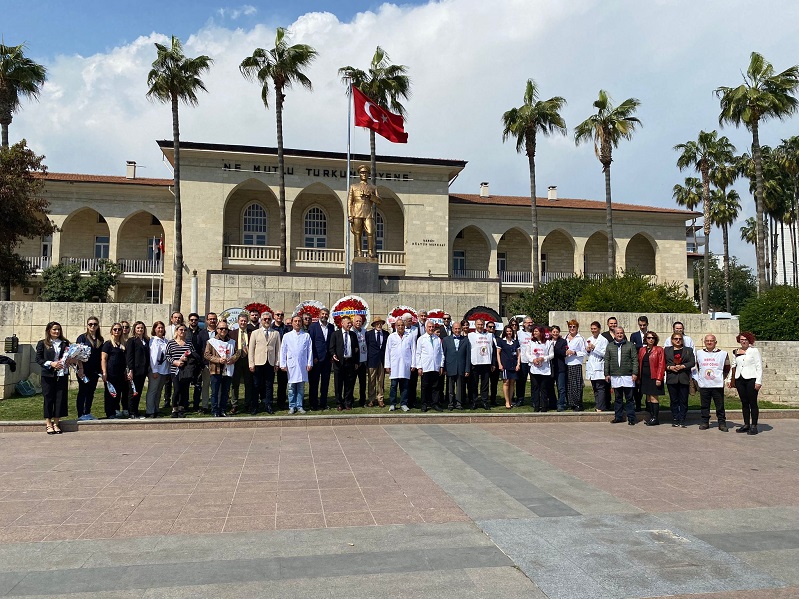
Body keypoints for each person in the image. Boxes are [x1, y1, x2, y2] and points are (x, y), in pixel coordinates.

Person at [36, 322, 74, 434]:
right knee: (48, 398)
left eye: (58, 330)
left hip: (62, 374)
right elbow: (38, 359)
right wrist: (51, 363)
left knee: (60, 398)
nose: (57, 332)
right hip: (48, 374)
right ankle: (48, 423)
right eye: (54, 329)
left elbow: (70, 356)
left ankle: (56, 423)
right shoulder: (42, 343)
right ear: (49, 331)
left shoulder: (65, 343)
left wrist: (70, 360)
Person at [729, 331, 763, 435]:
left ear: (750, 341)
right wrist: (730, 379)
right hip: (740, 379)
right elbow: (734, 366)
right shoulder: (736, 351)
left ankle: (754, 425)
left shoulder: (754, 351)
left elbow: (759, 366)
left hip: (751, 378)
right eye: (742, 339)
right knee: (744, 402)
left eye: (745, 339)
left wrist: (758, 381)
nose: (743, 341)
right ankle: (746, 424)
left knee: (752, 402)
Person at [248, 311, 281, 414]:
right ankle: (255, 406)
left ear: (271, 320)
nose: (267, 321)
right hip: (258, 363)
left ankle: (268, 405)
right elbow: (251, 350)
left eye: (269, 319)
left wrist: (277, 363)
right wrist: (251, 364)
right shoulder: (255, 333)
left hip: (270, 363)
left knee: (269, 385)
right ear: (261, 321)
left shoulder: (276, 333)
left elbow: (278, 350)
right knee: (256, 385)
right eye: (264, 319)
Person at [605, 326, 639, 425]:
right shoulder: (610, 346)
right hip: (615, 375)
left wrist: (634, 373)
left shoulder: (630, 345)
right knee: (618, 398)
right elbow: (607, 360)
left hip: (628, 375)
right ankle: (618, 417)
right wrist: (607, 373)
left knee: (629, 398)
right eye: (617, 333)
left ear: (623, 334)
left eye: (621, 333)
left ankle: (631, 418)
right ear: (614, 335)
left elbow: (634, 360)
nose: (619, 335)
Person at [696, 334, 730, 432]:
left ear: (715, 342)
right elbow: (697, 367)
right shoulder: (699, 353)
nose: (709, 342)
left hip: (717, 384)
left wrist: (721, 378)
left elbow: (727, 367)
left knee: (720, 405)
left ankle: (722, 423)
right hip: (704, 384)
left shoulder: (723, 354)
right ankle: (705, 422)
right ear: (704, 342)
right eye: (707, 341)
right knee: (704, 405)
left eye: (712, 341)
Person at [205, 320, 239, 417]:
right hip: (216, 369)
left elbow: (237, 353)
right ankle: (215, 410)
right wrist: (218, 360)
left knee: (225, 391)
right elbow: (207, 355)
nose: (223, 330)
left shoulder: (232, 342)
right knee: (215, 392)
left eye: (225, 328)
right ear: (217, 329)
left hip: (228, 369)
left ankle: (223, 410)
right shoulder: (211, 342)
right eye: (221, 328)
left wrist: (232, 359)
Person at [166, 323, 201, 418]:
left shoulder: (188, 342)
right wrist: (175, 362)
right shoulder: (171, 343)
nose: (183, 332)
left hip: (186, 370)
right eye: (181, 330)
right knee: (177, 389)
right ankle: (174, 408)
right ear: (177, 331)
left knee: (184, 390)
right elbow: (167, 356)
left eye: (185, 330)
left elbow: (193, 354)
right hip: (175, 370)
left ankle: (181, 408)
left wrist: (188, 357)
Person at [281, 315, 313, 414]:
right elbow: (283, 351)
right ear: (292, 323)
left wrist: (309, 363)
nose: (297, 323)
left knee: (301, 387)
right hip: (291, 365)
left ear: (301, 323)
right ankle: (292, 406)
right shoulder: (287, 336)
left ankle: (300, 406)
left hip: (302, 364)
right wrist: (283, 364)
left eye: (299, 321)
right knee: (291, 387)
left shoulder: (306, 335)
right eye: (295, 321)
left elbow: (310, 350)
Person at [347, 164, 381, 258]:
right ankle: (359, 252)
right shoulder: (353, 186)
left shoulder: (373, 188)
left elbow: (379, 201)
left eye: (365, 172)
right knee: (357, 233)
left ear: (368, 174)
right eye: (362, 172)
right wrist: (350, 215)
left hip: (368, 212)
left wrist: (371, 196)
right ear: (359, 174)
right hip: (357, 212)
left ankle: (370, 251)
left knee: (370, 231)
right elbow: (350, 202)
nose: (364, 174)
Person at [664, 331, 695, 428]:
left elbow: (692, 362)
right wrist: (669, 367)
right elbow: (662, 363)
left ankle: (682, 419)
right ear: (672, 340)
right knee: (674, 400)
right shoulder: (666, 350)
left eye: (680, 339)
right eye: (675, 339)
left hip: (683, 377)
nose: (678, 340)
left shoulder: (688, 350)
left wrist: (683, 366)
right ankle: (675, 418)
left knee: (683, 400)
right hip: (672, 378)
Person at [75, 316, 103, 421]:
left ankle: (87, 412)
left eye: (95, 324)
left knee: (91, 391)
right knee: (83, 391)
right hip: (83, 370)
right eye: (90, 324)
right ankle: (80, 414)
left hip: (94, 370)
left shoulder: (100, 339)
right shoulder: (82, 338)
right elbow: (77, 354)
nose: (93, 326)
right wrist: (81, 368)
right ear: (87, 325)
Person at [330, 315, 359, 410]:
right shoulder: (335, 334)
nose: (350, 325)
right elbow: (331, 348)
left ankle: (348, 402)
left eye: (351, 323)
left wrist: (356, 362)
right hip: (339, 363)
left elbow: (356, 349)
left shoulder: (353, 335)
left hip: (350, 362)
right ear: (342, 324)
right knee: (338, 384)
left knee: (349, 384)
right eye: (348, 323)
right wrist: (333, 354)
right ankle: (339, 403)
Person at [385, 317, 414, 411]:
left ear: (404, 326)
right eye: (399, 325)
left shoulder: (410, 336)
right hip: (394, 365)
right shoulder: (391, 337)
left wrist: (413, 364)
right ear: (395, 326)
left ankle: (403, 404)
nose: (401, 327)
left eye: (402, 325)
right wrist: (387, 365)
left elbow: (414, 350)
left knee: (405, 386)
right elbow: (387, 351)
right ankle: (393, 403)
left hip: (406, 364)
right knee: (393, 385)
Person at [415, 319, 444, 412]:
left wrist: (441, 366)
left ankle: (435, 403)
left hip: (435, 367)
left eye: (432, 327)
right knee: (425, 387)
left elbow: (441, 353)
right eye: (429, 327)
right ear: (426, 328)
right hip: (425, 367)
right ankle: (424, 404)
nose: (431, 328)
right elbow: (418, 354)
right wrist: (419, 367)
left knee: (435, 387)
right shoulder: (421, 339)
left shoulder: (437, 339)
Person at [308, 308, 334, 410]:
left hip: (327, 360)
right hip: (316, 359)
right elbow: (311, 344)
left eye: (326, 314)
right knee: (314, 383)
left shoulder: (331, 327)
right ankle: (313, 404)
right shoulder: (313, 327)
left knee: (325, 383)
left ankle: (323, 403)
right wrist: (313, 357)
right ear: (319, 315)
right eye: (322, 314)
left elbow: (332, 343)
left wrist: (332, 355)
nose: (324, 316)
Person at [101, 323, 129, 419]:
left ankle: (115, 411)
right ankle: (110, 413)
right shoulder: (108, 344)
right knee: (110, 394)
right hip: (110, 372)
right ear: (111, 331)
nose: (117, 331)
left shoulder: (123, 344)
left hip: (120, 373)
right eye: (115, 329)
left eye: (119, 329)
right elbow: (103, 359)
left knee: (118, 393)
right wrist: (104, 372)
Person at [638, 331, 665, 426]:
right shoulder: (642, 350)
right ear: (645, 339)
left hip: (654, 376)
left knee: (654, 397)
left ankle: (655, 418)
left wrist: (659, 378)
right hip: (644, 377)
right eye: (649, 338)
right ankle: (651, 416)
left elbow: (661, 364)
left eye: (653, 338)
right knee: (648, 397)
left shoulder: (659, 349)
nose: (651, 339)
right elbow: (639, 363)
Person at [442, 321, 470, 410]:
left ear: (461, 329)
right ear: (452, 329)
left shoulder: (465, 340)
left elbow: (467, 356)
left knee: (460, 387)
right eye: (455, 329)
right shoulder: (446, 340)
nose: (457, 330)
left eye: (459, 329)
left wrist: (467, 369)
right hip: (450, 366)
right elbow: (444, 355)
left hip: (461, 367)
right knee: (450, 387)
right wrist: (444, 368)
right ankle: (450, 403)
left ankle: (459, 403)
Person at [468, 318, 495, 410]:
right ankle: (474, 401)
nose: (480, 326)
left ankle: (484, 401)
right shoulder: (470, 335)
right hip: (475, 363)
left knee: (485, 384)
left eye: (481, 324)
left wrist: (492, 363)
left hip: (486, 363)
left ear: (484, 325)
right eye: (478, 324)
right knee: (474, 384)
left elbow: (493, 350)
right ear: (475, 325)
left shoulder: (490, 335)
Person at [125, 321, 149, 419]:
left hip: (143, 370)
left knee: (138, 391)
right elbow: (129, 356)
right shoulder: (131, 341)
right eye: (138, 328)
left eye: (142, 328)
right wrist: (130, 370)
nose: (140, 330)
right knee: (132, 392)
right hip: (134, 370)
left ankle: (136, 411)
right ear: (134, 329)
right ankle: (131, 412)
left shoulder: (146, 341)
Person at [195, 312, 218, 414]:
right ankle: (205, 406)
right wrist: (201, 363)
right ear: (207, 321)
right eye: (210, 319)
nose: (212, 320)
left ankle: (216, 405)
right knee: (206, 386)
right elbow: (198, 349)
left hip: (218, 364)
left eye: (214, 319)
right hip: (206, 365)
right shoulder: (202, 334)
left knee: (217, 386)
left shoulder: (221, 332)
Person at [145, 321, 170, 418]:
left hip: (164, 370)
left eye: (162, 328)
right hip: (156, 370)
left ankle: (156, 409)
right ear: (154, 329)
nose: (160, 329)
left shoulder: (165, 341)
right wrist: (154, 370)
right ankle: (150, 411)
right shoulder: (154, 340)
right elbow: (153, 356)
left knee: (159, 391)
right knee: (152, 391)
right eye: (158, 328)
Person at [526, 325, 553, 412]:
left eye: (536, 331)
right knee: (535, 388)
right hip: (534, 368)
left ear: (541, 332)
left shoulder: (548, 343)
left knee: (544, 388)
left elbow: (552, 355)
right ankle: (536, 405)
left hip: (544, 369)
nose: (534, 333)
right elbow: (527, 353)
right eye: (534, 331)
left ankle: (544, 406)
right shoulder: (531, 342)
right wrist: (532, 359)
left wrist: (543, 358)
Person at [231, 313, 253, 414]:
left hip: (248, 361)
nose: (243, 322)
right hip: (236, 361)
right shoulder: (232, 333)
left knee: (248, 384)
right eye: (241, 321)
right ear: (238, 321)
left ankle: (247, 404)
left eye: (245, 321)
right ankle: (234, 405)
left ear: (247, 322)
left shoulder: (252, 333)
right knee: (235, 384)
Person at [585, 321, 609, 411]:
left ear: (599, 329)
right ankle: (598, 404)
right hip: (591, 366)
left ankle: (601, 407)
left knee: (600, 387)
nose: (593, 330)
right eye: (592, 329)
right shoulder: (589, 339)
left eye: (595, 329)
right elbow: (588, 354)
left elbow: (604, 354)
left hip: (599, 366)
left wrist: (594, 348)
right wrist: (587, 350)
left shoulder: (603, 340)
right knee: (594, 387)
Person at [564, 320, 587, 411]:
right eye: (570, 326)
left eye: (574, 327)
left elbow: (584, 352)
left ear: (577, 328)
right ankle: (571, 402)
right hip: (566, 363)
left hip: (575, 363)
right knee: (568, 384)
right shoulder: (565, 337)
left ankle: (578, 403)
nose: (572, 328)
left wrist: (574, 352)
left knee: (576, 384)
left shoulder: (580, 338)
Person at [496, 324, 521, 409]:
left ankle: (510, 400)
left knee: (512, 383)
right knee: (506, 383)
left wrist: (518, 364)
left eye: (510, 331)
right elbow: (498, 354)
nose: (509, 333)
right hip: (505, 365)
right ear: (505, 332)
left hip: (514, 365)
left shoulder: (515, 342)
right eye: (507, 331)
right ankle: (506, 401)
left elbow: (518, 354)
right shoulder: (501, 341)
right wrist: (499, 364)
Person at [366, 317, 388, 407]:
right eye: (377, 323)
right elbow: (366, 347)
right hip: (372, 360)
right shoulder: (368, 334)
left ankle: (380, 398)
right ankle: (371, 399)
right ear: (374, 325)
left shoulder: (386, 334)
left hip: (382, 360)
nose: (379, 325)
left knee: (381, 380)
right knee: (371, 381)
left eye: (380, 323)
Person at [630, 316, 649, 411]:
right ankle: (637, 403)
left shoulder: (650, 335)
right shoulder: (634, 335)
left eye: (644, 325)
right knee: (636, 384)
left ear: (647, 324)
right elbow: (632, 347)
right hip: (637, 361)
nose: (642, 327)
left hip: (648, 362)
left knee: (647, 384)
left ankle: (648, 404)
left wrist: (638, 346)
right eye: (640, 325)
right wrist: (643, 346)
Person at [185, 313, 203, 411]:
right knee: (186, 384)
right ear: (189, 321)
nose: (193, 321)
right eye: (191, 320)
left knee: (198, 385)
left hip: (199, 362)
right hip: (188, 362)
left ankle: (196, 405)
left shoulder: (202, 332)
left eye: (195, 320)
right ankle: (186, 404)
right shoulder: (185, 331)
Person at [271, 310, 289, 408]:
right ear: (274, 316)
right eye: (278, 314)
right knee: (269, 381)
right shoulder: (270, 328)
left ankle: (281, 402)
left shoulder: (287, 328)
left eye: (282, 314)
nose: (279, 316)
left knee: (282, 382)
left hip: (283, 358)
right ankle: (268, 401)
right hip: (271, 357)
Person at [515, 317, 534, 407]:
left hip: (534, 361)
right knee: (521, 381)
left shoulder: (535, 333)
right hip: (523, 360)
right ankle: (520, 399)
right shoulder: (519, 334)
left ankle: (534, 400)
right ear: (524, 324)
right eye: (528, 323)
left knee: (534, 382)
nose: (530, 324)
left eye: (531, 322)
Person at [549, 325, 567, 411]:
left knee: (561, 387)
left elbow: (563, 352)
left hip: (560, 367)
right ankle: (552, 403)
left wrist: (553, 348)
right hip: (550, 367)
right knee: (550, 387)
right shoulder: (547, 341)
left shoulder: (563, 341)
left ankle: (561, 404)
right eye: (553, 332)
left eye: (557, 332)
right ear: (550, 333)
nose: (555, 333)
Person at [353, 315, 369, 407]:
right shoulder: (351, 332)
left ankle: (362, 401)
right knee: (351, 383)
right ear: (353, 322)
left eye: (360, 321)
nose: (358, 323)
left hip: (363, 361)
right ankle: (350, 401)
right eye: (357, 321)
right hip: (355, 362)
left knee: (363, 383)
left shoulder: (364, 331)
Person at [487, 320, 501, 405]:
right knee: (484, 383)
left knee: (494, 383)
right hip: (485, 363)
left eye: (493, 327)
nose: (492, 328)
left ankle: (493, 399)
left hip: (495, 363)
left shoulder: (498, 339)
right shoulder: (483, 337)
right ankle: (483, 399)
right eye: (490, 327)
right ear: (486, 328)